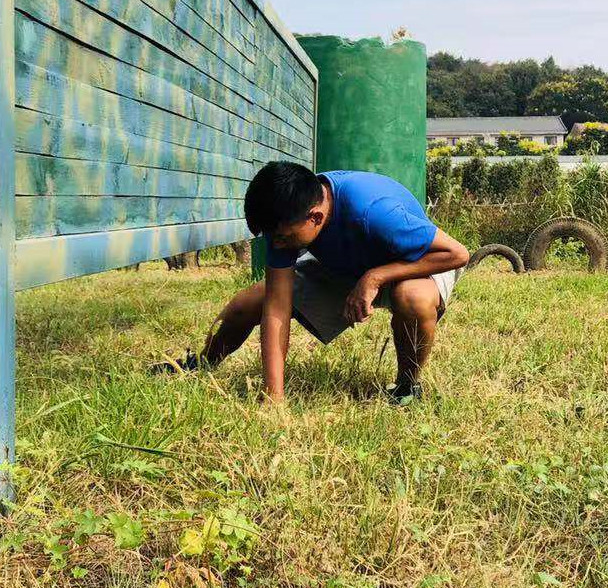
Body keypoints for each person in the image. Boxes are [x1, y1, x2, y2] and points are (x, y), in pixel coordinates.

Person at [154, 161, 471, 406]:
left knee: (412, 297)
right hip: (346, 265)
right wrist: (273, 396)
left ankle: (406, 386)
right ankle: (200, 365)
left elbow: (457, 253)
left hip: (417, 261)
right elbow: (276, 306)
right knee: (247, 304)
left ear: (316, 217)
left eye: (284, 237)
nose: (278, 243)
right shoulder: (288, 218)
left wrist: (377, 276)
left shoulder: (374, 210)